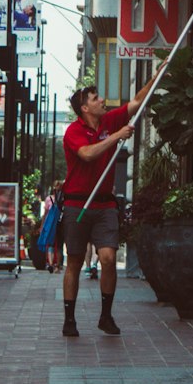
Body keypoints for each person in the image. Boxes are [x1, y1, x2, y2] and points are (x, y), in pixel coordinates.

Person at [60, 82, 150, 338]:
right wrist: (116, 137)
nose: (102, 101)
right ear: (85, 108)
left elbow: (135, 103)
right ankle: (69, 319)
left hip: (105, 203)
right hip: (77, 203)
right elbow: (87, 154)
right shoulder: (73, 132)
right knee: (75, 261)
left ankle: (106, 315)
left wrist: (156, 76)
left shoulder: (110, 121)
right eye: (96, 98)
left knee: (109, 258)